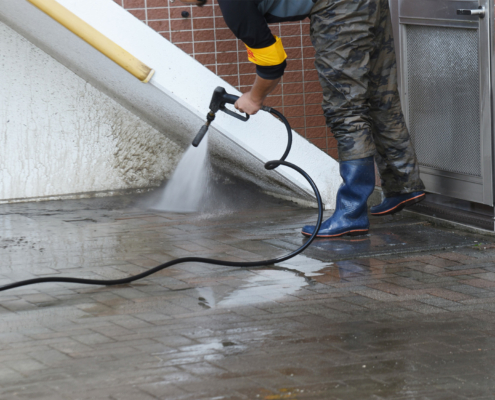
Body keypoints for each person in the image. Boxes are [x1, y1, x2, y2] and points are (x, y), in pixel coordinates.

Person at [180, 0, 426, 238]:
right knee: (380, 94)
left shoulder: (234, 5)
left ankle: (351, 214)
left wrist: (254, 98)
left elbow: (272, 63)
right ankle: (403, 184)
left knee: (345, 109)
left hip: (339, 6)